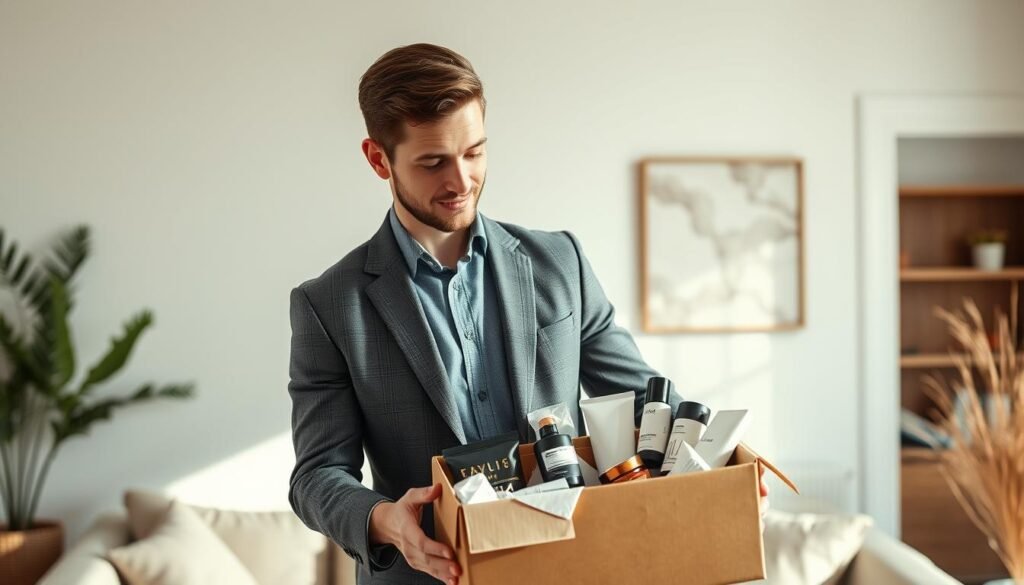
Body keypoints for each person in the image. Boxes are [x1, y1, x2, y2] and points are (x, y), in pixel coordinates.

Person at [288, 43, 769, 585]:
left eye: (474, 152)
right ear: (379, 159)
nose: (462, 180)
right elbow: (316, 475)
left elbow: (643, 400)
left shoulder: (560, 262)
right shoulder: (327, 305)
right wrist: (385, 521)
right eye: (433, 162)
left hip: (572, 567)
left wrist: (717, 469)